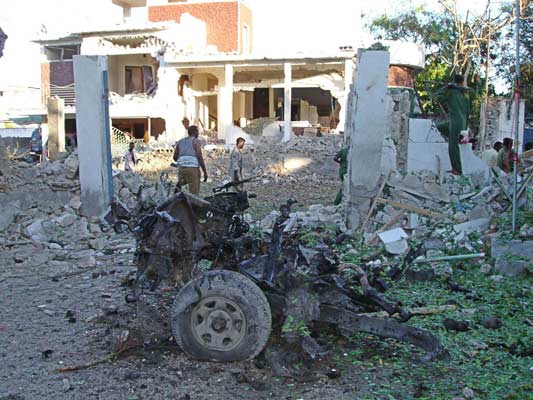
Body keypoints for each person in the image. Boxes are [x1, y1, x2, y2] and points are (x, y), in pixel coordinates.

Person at [437, 74, 478, 176]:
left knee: (452, 146)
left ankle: (457, 169)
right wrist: (472, 84)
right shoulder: (467, 92)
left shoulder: (451, 91)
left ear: (454, 81)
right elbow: (475, 93)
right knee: (440, 126)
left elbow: (438, 97)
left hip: (455, 121)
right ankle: (459, 137)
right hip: (464, 122)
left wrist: (446, 87)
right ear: (463, 81)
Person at [173, 125, 207, 195]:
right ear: (195, 132)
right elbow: (199, 156)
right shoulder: (196, 141)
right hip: (193, 169)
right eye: (197, 131)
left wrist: (182, 160)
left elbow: (175, 157)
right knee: (194, 193)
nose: (198, 133)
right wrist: (204, 171)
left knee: (179, 186)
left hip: (182, 169)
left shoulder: (180, 141)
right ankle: (193, 205)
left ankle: (175, 200)